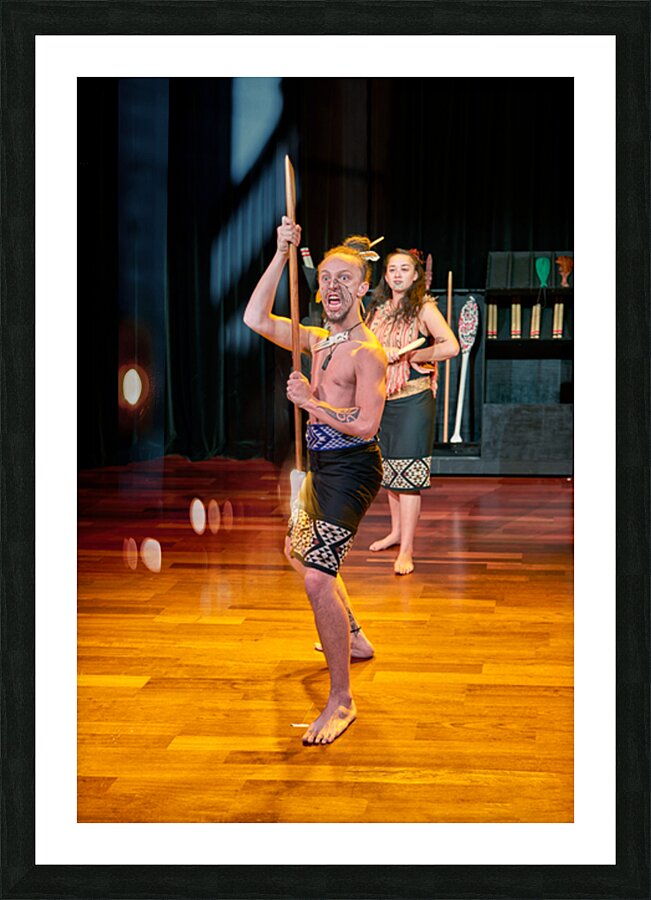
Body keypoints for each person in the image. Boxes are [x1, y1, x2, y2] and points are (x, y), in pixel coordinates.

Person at [243, 217, 387, 745]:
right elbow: (255, 315)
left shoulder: (366, 352)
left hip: (352, 468)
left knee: (315, 578)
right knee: (296, 552)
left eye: (344, 278)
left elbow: (367, 424)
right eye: (325, 277)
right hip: (320, 468)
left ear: (363, 286)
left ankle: (342, 701)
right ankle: (353, 635)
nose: (332, 286)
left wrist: (312, 404)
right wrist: (282, 253)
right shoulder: (320, 341)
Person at [365, 248, 459, 575]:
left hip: (413, 399)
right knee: (391, 471)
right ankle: (395, 533)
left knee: (409, 477)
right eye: (392, 269)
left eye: (405, 269)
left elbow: (451, 345)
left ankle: (407, 550)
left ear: (416, 275)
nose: (398, 275)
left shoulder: (424, 307)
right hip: (382, 399)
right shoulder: (377, 309)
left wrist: (415, 357)